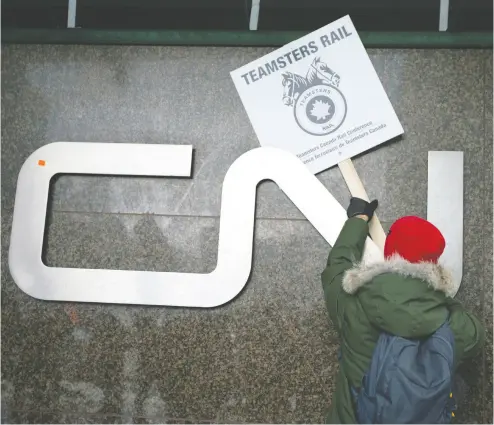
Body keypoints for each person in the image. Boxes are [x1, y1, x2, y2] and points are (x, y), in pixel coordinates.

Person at [321, 197, 485, 424]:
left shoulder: (353, 303)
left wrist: (357, 220)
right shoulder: (454, 326)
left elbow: (336, 269)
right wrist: (439, 294)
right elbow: (477, 336)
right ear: (432, 264)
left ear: (390, 253)